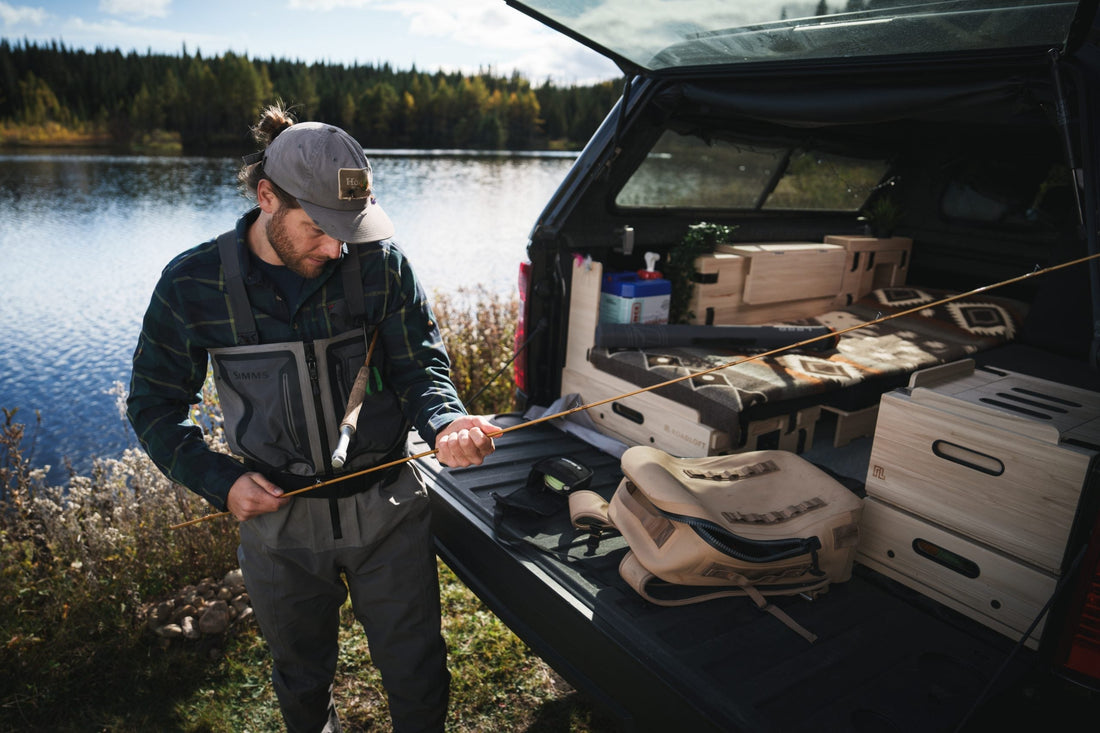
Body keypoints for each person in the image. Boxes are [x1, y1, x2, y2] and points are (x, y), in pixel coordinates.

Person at [127, 103, 498, 732]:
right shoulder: (192, 283)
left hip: (390, 509)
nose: (336, 247)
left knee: (417, 669)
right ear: (268, 197)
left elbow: (421, 370)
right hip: (280, 525)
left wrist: (446, 423)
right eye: (319, 228)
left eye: (348, 227)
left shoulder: (381, 263)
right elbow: (154, 405)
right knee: (300, 676)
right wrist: (220, 481)